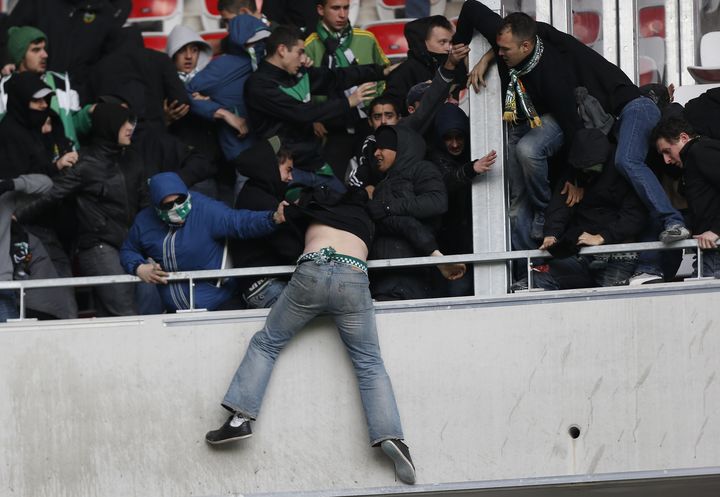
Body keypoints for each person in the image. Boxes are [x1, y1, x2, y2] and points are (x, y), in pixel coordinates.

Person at [205, 181, 417, 486]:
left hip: (312, 269)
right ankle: (392, 437)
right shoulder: (367, 216)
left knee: (267, 344)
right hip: (353, 275)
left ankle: (240, 419)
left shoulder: (313, 209)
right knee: (370, 364)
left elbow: (286, 243)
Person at [453, 3, 580, 250]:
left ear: (526, 47)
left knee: (528, 150)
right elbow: (470, 7)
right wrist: (464, 51)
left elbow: (573, 126)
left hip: (551, 119)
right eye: (497, 47)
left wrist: (578, 176)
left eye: (504, 50)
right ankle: (524, 266)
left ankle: (543, 212)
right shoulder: (505, 38)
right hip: (518, 121)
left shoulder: (554, 74)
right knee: (517, 200)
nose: (500, 54)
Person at [14, 103, 146, 317]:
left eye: (131, 121)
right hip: (98, 245)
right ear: (109, 125)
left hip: (131, 243)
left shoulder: (133, 157)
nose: (130, 127)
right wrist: (16, 215)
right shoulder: (86, 162)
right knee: (125, 312)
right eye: (124, 122)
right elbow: (52, 194)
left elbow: (145, 199)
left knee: (117, 314)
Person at [119, 172, 287, 312]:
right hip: (174, 315)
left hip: (221, 306)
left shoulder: (206, 210)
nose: (176, 207)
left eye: (180, 200)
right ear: (156, 207)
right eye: (168, 205)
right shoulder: (144, 221)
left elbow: (239, 222)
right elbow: (128, 249)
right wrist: (139, 267)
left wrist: (272, 218)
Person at [244, 25, 392, 180]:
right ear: (282, 50)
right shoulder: (258, 86)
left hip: (313, 160)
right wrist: (348, 102)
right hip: (283, 167)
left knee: (342, 197)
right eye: (299, 52)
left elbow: (335, 77)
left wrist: (380, 72)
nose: (303, 59)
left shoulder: (297, 73)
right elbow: (302, 113)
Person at [529, 128, 648, 290]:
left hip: (619, 254)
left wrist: (602, 237)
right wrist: (552, 234)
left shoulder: (622, 167)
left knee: (612, 304)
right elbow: (560, 204)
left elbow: (636, 215)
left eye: (592, 168)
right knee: (539, 281)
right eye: (584, 169)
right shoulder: (575, 169)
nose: (588, 172)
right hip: (581, 252)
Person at [367, 125, 466, 300]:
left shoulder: (422, 169)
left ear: (401, 147)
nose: (376, 153)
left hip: (411, 276)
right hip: (381, 278)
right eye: (375, 148)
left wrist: (388, 207)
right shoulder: (381, 184)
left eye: (382, 147)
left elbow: (436, 202)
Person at [304, 0, 390, 178]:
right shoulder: (309, 45)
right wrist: (313, 119)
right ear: (320, 9)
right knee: (330, 182)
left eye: (346, 8)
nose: (342, 14)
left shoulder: (367, 38)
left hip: (367, 121)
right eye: (336, 8)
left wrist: (378, 106)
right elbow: (303, 87)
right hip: (331, 127)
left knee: (374, 177)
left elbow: (386, 73)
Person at [0, 26, 93, 149]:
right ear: (20, 56)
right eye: (36, 50)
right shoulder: (5, 87)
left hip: (68, 160)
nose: (45, 55)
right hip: (27, 163)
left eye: (44, 49)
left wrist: (89, 113)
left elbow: (73, 125)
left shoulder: (60, 81)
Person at [652, 117, 720, 277]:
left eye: (667, 151)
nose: (666, 160)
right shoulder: (697, 155)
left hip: (715, 249)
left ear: (683, 137)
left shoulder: (701, 151)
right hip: (709, 249)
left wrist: (716, 230)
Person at [384, 15, 465, 113]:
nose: (449, 48)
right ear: (422, 44)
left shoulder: (454, 66)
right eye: (442, 42)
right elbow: (391, 112)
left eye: (450, 42)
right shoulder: (402, 73)